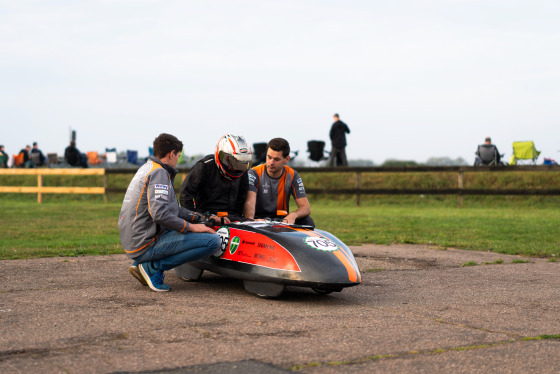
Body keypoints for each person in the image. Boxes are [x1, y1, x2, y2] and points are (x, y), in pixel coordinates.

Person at [119, 133, 221, 292]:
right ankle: (153, 266)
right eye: (178, 156)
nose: (178, 160)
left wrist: (200, 218)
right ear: (171, 154)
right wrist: (192, 227)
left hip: (134, 241)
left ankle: (141, 263)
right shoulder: (159, 173)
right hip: (145, 244)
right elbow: (159, 214)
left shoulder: (148, 168)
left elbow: (173, 210)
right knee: (213, 241)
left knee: (192, 230)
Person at [180, 134, 252, 222]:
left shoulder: (242, 172)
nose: (236, 168)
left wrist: (238, 219)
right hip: (207, 217)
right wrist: (195, 219)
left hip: (231, 217)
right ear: (222, 156)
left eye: (240, 162)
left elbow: (241, 197)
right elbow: (185, 194)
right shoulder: (204, 166)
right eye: (233, 162)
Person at [243, 137, 314, 227]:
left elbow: (306, 208)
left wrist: (293, 215)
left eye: (276, 159)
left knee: (308, 222)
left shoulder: (292, 175)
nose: (271, 162)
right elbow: (249, 204)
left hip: (281, 220)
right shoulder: (254, 173)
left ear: (286, 159)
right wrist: (252, 221)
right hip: (258, 220)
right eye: (269, 157)